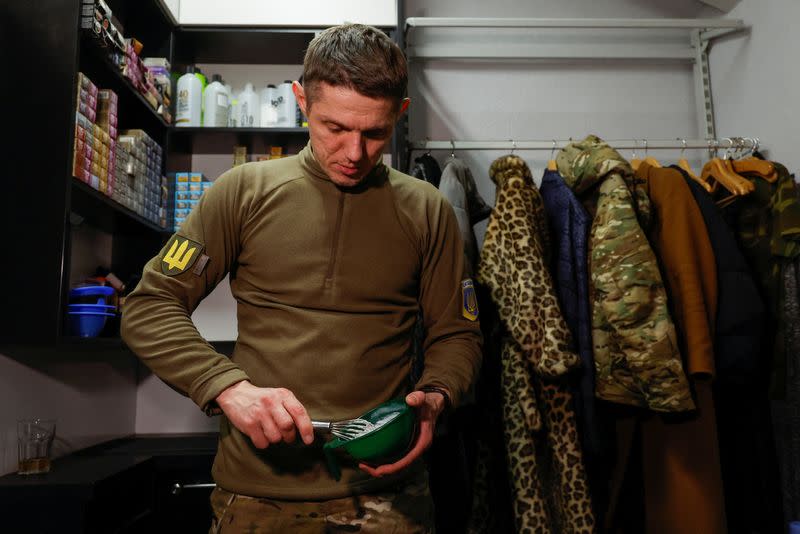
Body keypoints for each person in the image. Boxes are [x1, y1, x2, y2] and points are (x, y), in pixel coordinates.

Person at [121, 23, 482, 533]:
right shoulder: (240, 192)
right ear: (300, 101)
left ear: (400, 116)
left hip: (388, 494)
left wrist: (437, 396)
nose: (355, 153)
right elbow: (148, 306)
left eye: (375, 133)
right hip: (255, 496)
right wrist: (228, 387)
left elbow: (458, 334)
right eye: (335, 127)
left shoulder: (428, 210)